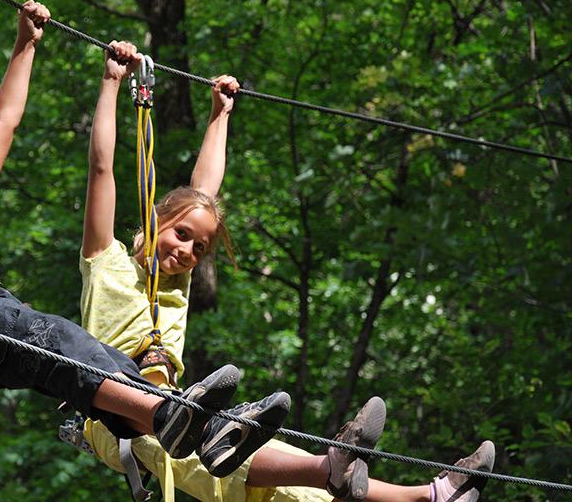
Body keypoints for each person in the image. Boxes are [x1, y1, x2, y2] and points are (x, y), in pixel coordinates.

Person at [0, 0, 288, 479]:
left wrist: (26, 43)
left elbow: (3, 121)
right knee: (53, 336)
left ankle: (197, 429)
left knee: (79, 361)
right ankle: (169, 416)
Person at [78, 40, 496, 502]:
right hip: (116, 414)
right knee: (220, 453)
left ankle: (430, 496)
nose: (189, 251)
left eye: (200, 247)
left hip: (176, 409)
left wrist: (220, 115)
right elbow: (102, 170)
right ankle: (334, 467)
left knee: (273, 472)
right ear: (157, 218)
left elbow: (205, 194)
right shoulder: (106, 260)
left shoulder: (174, 284)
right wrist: (111, 82)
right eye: (181, 236)